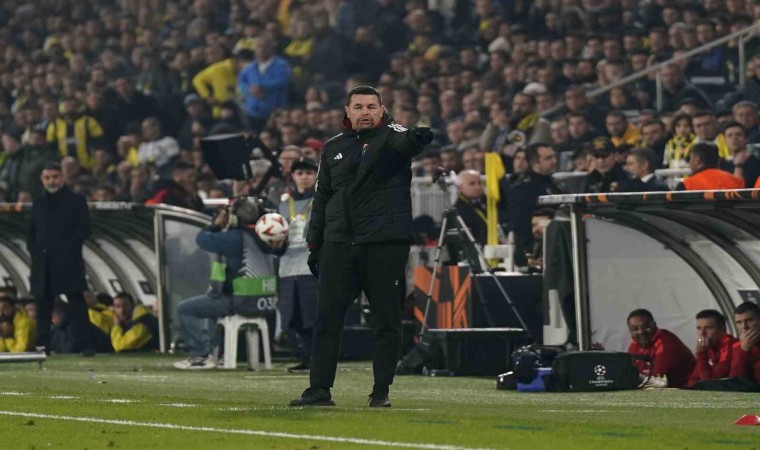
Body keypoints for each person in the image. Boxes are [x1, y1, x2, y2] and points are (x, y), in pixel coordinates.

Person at [290, 85, 433, 407]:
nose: (365, 112)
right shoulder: (333, 148)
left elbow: (407, 141)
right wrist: (314, 243)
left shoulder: (393, 136)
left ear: (381, 110)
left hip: (384, 244)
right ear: (347, 111)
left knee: (387, 319)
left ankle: (380, 391)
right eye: (359, 107)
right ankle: (319, 390)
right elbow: (322, 197)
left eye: (371, 106)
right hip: (338, 243)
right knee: (326, 318)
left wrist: (418, 136)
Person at [173, 198, 278, 370]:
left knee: (185, 308)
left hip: (242, 302)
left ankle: (200, 355)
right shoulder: (264, 235)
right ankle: (219, 354)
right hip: (265, 302)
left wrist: (216, 225)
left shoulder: (235, 237)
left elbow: (202, 239)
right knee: (213, 304)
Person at [28, 162, 92, 355]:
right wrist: (35, 252)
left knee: (77, 304)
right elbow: (31, 233)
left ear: (63, 177)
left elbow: (84, 229)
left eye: (55, 177)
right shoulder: (38, 203)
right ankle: (42, 348)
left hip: (68, 262)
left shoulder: (76, 200)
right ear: (42, 179)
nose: (51, 181)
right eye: (47, 178)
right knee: (43, 307)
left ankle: (86, 346)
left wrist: (67, 250)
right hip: (43, 264)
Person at [277, 156, 319, 373]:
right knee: (293, 318)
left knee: (312, 317)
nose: (304, 177)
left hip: (311, 268)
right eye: (300, 173)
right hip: (287, 268)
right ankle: (305, 357)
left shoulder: (322, 201)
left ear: (316, 175)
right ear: (292, 176)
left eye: (309, 173)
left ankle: (317, 360)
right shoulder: (283, 205)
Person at [505, 143, 562, 267]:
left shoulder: (556, 185)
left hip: (557, 243)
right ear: (534, 163)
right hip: (534, 250)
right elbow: (519, 224)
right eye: (548, 158)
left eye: (554, 157)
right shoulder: (522, 189)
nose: (554, 161)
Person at [626, 308, 696, 388]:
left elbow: (657, 382)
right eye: (635, 329)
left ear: (654, 325)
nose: (641, 331)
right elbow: (629, 374)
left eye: (645, 327)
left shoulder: (666, 343)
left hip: (686, 390)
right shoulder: (634, 345)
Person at [687, 309, 738, 387]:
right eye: (699, 328)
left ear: (722, 329)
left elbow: (710, 384)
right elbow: (693, 379)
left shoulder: (731, 346)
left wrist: (701, 354)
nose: (702, 333)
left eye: (708, 328)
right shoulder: (708, 346)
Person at [675, 143, 744, 191]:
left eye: (690, 158)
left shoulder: (687, 185)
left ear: (697, 160)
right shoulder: (736, 181)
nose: (689, 163)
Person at [730, 302, 760, 384]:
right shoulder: (737, 346)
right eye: (739, 322)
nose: (744, 327)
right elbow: (736, 380)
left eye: (749, 320)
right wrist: (744, 350)